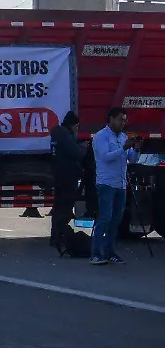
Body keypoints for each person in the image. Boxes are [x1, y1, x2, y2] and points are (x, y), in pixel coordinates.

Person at [90, 107, 141, 265]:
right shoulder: (101, 136)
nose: (123, 123)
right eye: (120, 119)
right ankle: (96, 254)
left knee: (116, 219)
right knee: (105, 218)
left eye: (125, 120)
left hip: (121, 184)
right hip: (106, 183)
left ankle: (110, 252)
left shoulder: (123, 136)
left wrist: (136, 148)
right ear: (111, 119)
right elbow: (106, 157)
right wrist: (123, 148)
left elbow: (131, 159)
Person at [49, 111, 84, 256]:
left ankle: (55, 236)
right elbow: (77, 153)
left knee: (59, 207)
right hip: (68, 176)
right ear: (74, 124)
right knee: (65, 207)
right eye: (77, 126)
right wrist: (83, 147)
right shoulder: (65, 136)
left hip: (59, 175)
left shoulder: (57, 134)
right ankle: (59, 236)